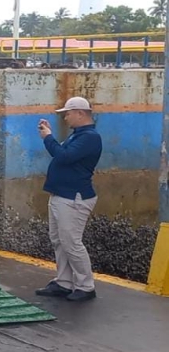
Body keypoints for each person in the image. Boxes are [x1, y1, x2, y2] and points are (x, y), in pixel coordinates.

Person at [36, 96, 102, 302]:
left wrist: (48, 137)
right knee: (58, 240)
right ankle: (64, 282)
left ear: (80, 113)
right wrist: (50, 137)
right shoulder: (78, 136)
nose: (65, 117)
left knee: (71, 242)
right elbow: (63, 155)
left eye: (68, 113)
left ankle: (85, 285)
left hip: (74, 197)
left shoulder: (90, 137)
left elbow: (64, 156)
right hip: (62, 195)